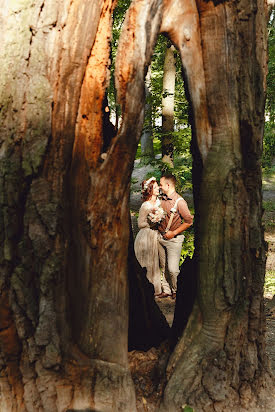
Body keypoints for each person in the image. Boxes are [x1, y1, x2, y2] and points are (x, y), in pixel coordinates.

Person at [157, 174, 193, 299]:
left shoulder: (180, 202)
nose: (160, 187)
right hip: (160, 237)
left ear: (168, 185)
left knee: (173, 269)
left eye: (161, 184)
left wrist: (174, 232)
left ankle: (178, 291)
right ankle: (167, 290)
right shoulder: (161, 199)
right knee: (164, 267)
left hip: (174, 240)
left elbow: (189, 222)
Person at [134, 177, 163, 296]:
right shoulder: (145, 205)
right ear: (150, 190)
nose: (158, 189)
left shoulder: (159, 202)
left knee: (155, 261)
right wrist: (152, 221)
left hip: (156, 234)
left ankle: (156, 288)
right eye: (155, 188)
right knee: (146, 261)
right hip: (146, 235)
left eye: (157, 187)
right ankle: (144, 288)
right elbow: (140, 224)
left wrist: (159, 218)